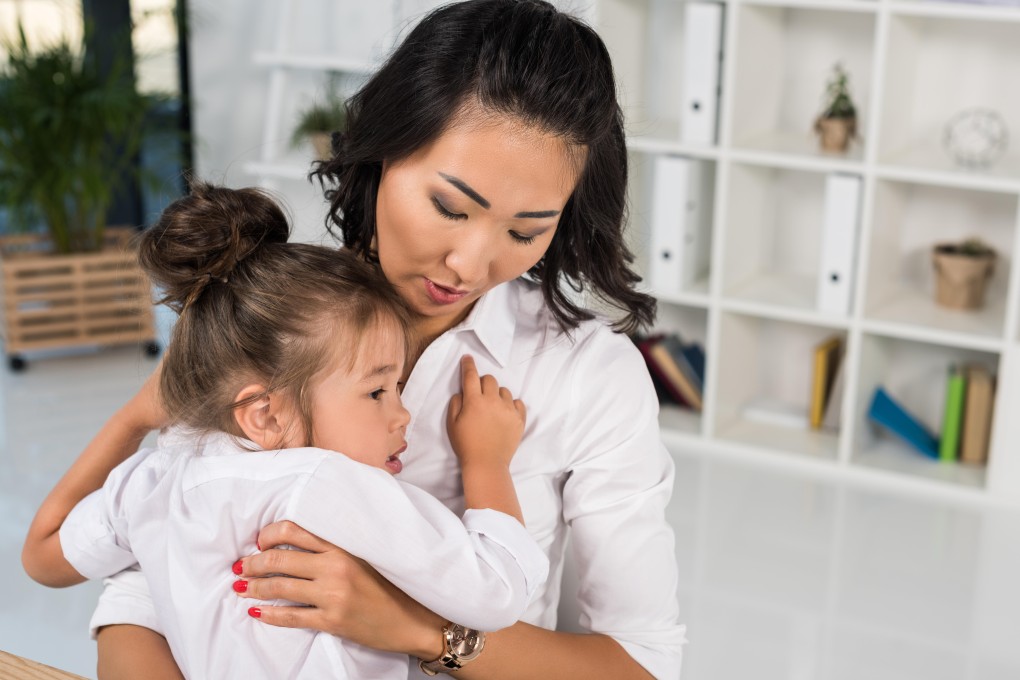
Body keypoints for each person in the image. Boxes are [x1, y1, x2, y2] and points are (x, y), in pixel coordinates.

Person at [72, 1, 687, 678]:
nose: (469, 265)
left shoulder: (587, 376)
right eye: (449, 207)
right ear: (386, 149)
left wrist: (416, 630)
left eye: (524, 231)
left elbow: (641, 667)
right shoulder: (273, 312)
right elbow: (150, 576)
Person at [21, 184, 549, 679]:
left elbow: (43, 558)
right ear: (266, 416)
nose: (402, 414)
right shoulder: (321, 481)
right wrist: (486, 461)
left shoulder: (153, 479)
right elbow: (497, 592)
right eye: (377, 391)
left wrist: (133, 417)